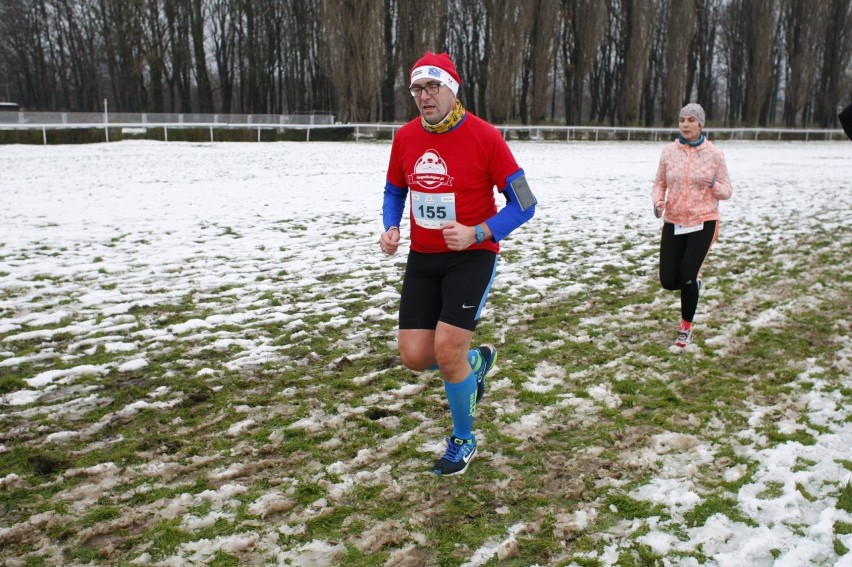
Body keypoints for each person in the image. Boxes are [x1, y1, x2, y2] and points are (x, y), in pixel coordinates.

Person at [379, 52, 537, 475]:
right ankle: (476, 364)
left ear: (453, 88)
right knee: (414, 356)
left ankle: (463, 439)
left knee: (448, 353)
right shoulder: (406, 137)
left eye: (433, 87)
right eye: (417, 89)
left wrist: (479, 231)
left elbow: (525, 203)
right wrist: (391, 225)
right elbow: (395, 189)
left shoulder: (486, 137)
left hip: (472, 257)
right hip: (423, 259)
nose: (425, 96)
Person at [651, 103, 732, 348]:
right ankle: (693, 286)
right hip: (674, 221)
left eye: (691, 120)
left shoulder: (715, 154)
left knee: (687, 274)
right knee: (668, 280)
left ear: (700, 124)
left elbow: (727, 191)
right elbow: (659, 183)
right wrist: (658, 202)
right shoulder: (668, 152)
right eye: (682, 120)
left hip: (703, 221)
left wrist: (714, 186)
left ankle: (685, 328)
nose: (685, 124)